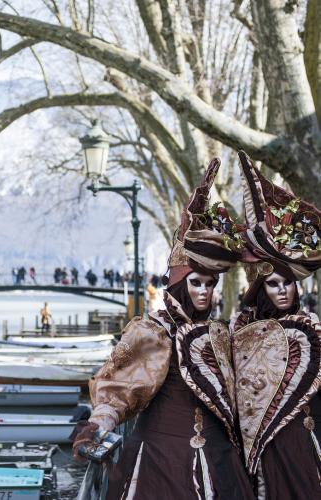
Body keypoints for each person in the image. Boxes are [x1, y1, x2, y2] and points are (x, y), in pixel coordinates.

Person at [72, 160, 254, 499]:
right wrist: (97, 425)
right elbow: (120, 389)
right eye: (196, 282)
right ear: (180, 283)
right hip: (161, 463)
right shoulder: (155, 332)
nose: (204, 291)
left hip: (220, 460)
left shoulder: (220, 333)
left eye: (211, 284)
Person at [230, 152, 321, 499]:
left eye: (288, 283)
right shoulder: (242, 334)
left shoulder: (312, 328)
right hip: (264, 451)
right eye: (273, 284)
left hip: (305, 442)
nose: (282, 289)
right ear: (260, 288)